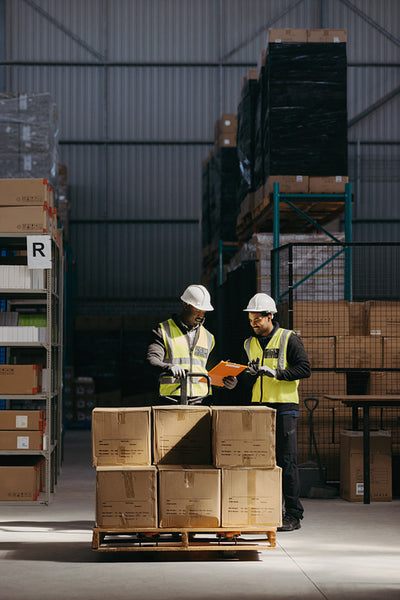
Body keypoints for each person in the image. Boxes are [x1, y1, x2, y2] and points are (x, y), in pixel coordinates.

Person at [242, 292, 311, 532]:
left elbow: (305, 369)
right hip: (259, 407)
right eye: (251, 320)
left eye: (257, 320)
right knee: (261, 462)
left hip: (284, 408)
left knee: (287, 461)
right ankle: (267, 509)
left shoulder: (288, 338)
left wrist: (278, 374)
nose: (253, 324)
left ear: (270, 316)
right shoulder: (248, 343)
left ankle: (293, 514)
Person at [146, 284, 237, 404]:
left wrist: (226, 381)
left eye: (203, 311)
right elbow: (152, 360)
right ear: (186, 305)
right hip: (172, 400)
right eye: (197, 310)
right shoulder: (163, 330)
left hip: (202, 400)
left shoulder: (209, 337)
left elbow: (211, 371)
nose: (200, 315)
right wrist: (170, 367)